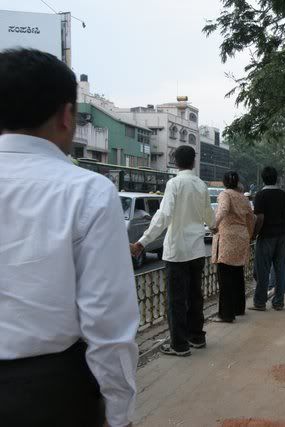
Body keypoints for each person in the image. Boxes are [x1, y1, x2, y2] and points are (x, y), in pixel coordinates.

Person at [0, 49, 139, 427]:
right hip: (48, 395)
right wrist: (120, 413)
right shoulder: (87, 192)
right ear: (66, 116)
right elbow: (108, 324)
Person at [132, 145, 214, 356]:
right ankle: (196, 337)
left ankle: (179, 345)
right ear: (193, 162)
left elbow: (163, 216)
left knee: (176, 299)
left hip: (177, 251)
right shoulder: (201, 185)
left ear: (175, 162)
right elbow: (208, 215)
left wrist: (142, 241)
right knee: (195, 296)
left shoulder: (174, 183)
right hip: (197, 250)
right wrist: (214, 226)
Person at [211, 171, 255, 323]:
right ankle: (238, 308)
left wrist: (213, 225)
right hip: (242, 236)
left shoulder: (225, 194)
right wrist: (248, 234)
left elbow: (223, 210)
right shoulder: (243, 197)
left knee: (225, 277)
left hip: (227, 238)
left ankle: (226, 314)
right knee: (237, 274)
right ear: (237, 182)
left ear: (224, 182)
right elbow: (251, 217)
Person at [252, 167, 285, 311]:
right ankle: (279, 302)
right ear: (276, 178)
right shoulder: (283, 195)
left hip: (267, 235)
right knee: (280, 269)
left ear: (263, 178)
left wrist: (255, 233)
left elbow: (260, 218)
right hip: (283, 235)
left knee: (263, 270)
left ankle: (260, 302)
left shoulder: (260, 195)